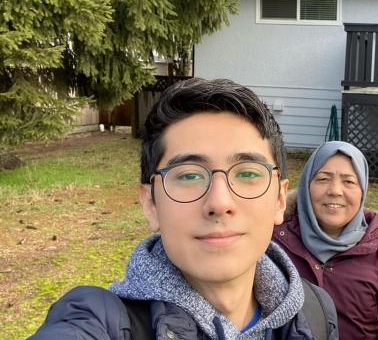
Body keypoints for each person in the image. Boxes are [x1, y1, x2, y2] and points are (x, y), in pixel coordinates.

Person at [30, 78, 338, 339]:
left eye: (247, 173)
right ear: (150, 203)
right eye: (189, 175)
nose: (219, 203)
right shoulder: (101, 321)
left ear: (280, 200)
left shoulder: (315, 312)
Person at [273, 140, 378, 339]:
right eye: (323, 179)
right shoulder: (273, 241)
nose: (335, 191)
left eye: (349, 181)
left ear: (363, 190)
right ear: (306, 185)